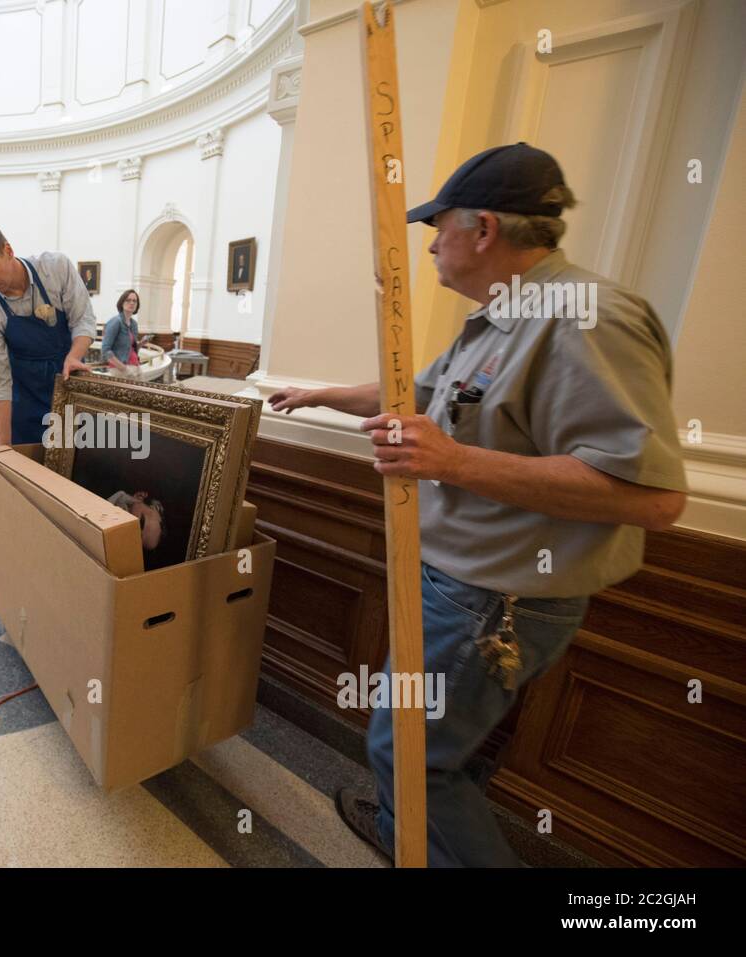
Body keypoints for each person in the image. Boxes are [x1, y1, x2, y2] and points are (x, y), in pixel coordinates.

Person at [269, 143, 688, 867]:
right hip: (454, 582)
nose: (432, 244)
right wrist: (319, 395)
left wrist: (455, 461)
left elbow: (654, 497)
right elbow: (421, 395)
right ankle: (412, 836)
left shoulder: (587, 319)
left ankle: (426, 833)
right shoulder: (501, 315)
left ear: (485, 230)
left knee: (414, 754)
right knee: (419, 745)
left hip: (498, 598)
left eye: (441, 227)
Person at [0, 221, 96, 445]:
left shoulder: (56, 268)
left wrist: (75, 355)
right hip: (25, 404)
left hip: (70, 390)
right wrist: (4, 446)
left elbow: (83, 319)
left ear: (8, 250)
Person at [102, 290, 141, 374]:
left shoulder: (134, 324)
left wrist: (141, 344)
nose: (132, 303)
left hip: (136, 368)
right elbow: (105, 350)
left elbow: (131, 348)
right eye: (128, 300)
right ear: (122, 302)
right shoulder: (115, 322)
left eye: (134, 301)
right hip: (120, 370)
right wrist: (124, 369)